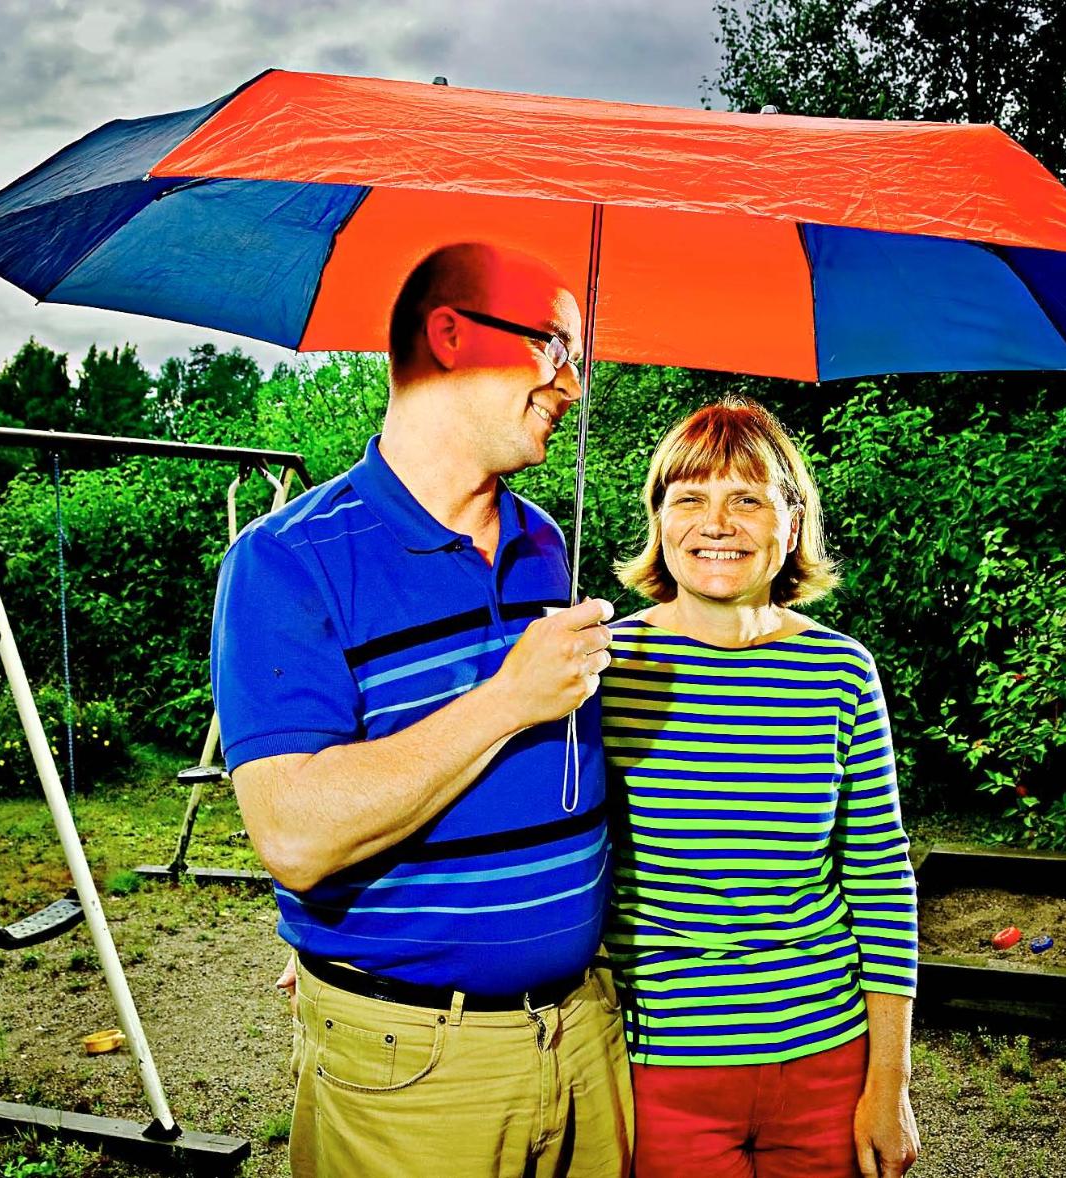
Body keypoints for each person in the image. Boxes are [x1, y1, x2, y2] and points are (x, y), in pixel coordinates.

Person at [211, 242, 632, 1178]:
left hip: (588, 1037)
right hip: (417, 1068)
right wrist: (506, 701)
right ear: (450, 335)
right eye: (556, 347)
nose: (574, 383)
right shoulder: (285, 560)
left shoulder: (545, 542)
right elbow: (294, 835)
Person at [602, 397, 919, 1178]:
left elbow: (880, 882)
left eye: (748, 498)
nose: (718, 524)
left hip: (826, 1063)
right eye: (690, 499)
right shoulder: (597, 667)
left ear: (792, 520)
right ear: (658, 521)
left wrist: (891, 1081)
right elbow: (515, 826)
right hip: (659, 1067)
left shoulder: (840, 671)